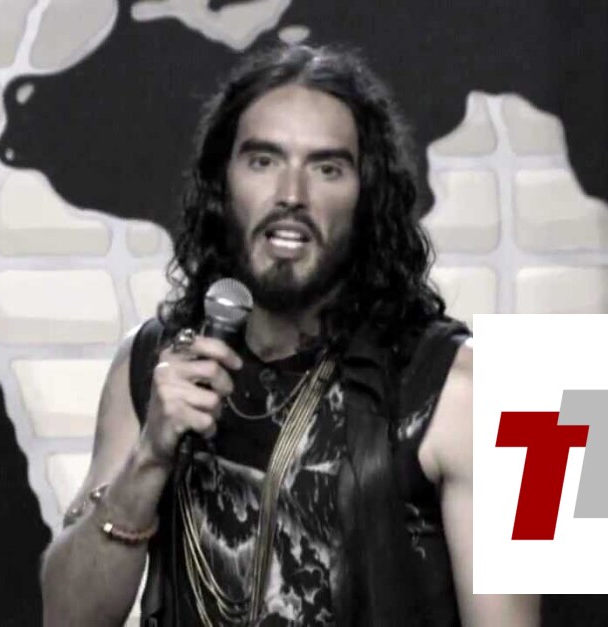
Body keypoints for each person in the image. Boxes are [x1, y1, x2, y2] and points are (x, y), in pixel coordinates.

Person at [40, 44, 539, 626]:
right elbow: (66, 618)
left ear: (367, 195)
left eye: (327, 169)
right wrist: (149, 458)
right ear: (222, 183)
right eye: (263, 161)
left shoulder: (459, 391)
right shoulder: (152, 364)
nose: (292, 195)